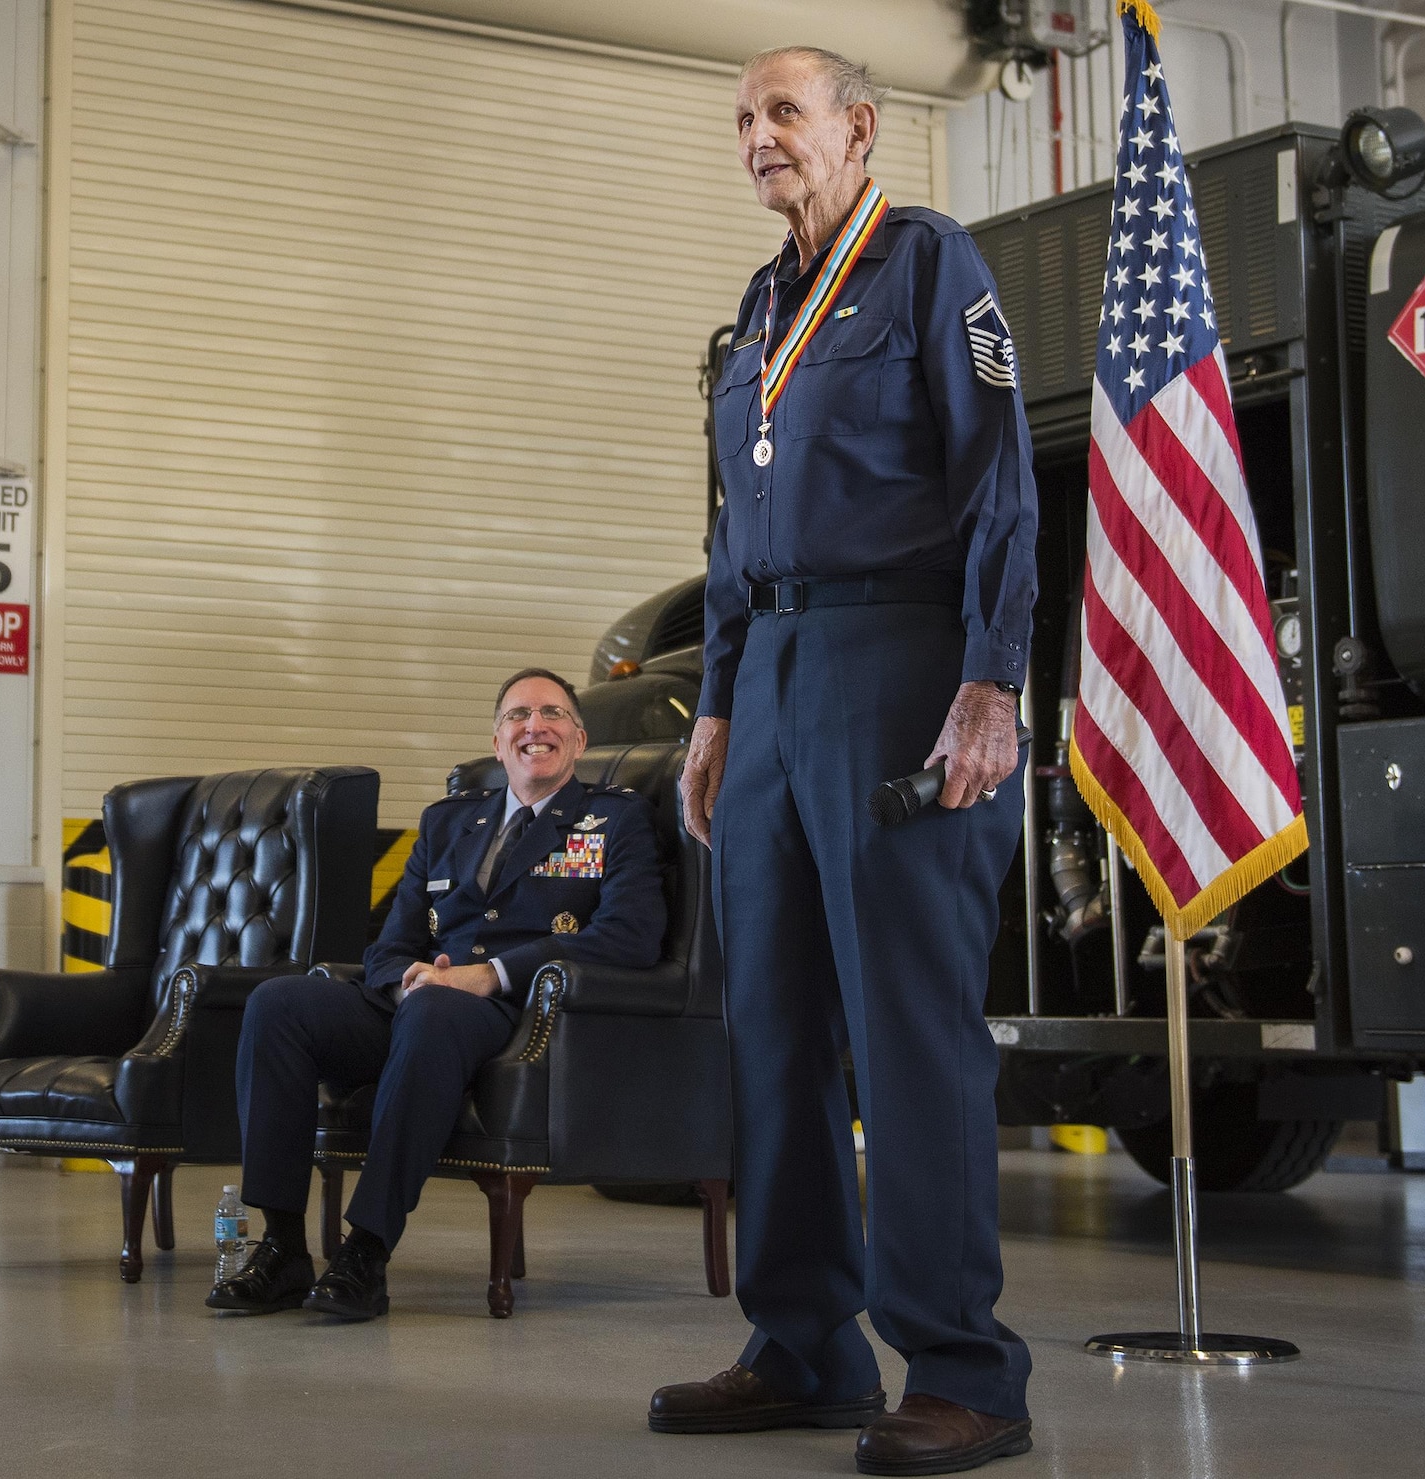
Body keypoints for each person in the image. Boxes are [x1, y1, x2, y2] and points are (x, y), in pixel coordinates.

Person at [650, 45, 1040, 1478]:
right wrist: (714, 707)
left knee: (906, 1022)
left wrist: (991, 677)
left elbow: (1000, 478)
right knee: (777, 1019)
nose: (761, 137)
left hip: (903, 668)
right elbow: (733, 539)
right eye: (744, 120)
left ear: (860, 129)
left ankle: (961, 1363)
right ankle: (803, 1339)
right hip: (774, 683)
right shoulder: (757, 311)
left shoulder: (932, 265)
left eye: (785, 113)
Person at [208, 668, 665, 1320]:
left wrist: (492, 973)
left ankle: (366, 1249)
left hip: (517, 1013)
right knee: (279, 1004)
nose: (535, 725)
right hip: (420, 999)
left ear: (579, 737)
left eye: (553, 714)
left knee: (436, 1010)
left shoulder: (613, 820)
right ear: (498, 737)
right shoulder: (450, 821)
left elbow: (631, 936)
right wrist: (407, 978)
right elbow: (388, 943)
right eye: (518, 715)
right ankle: (282, 1244)